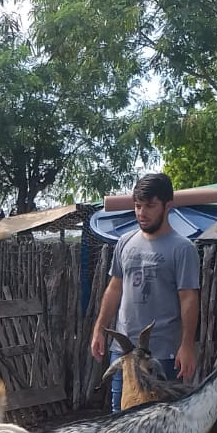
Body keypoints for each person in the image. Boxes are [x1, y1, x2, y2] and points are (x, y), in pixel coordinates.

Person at [90, 172, 200, 409]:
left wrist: (187, 345)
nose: (142, 212)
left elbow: (189, 298)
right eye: (138, 206)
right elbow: (114, 288)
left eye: (150, 206)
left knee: (161, 421)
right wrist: (99, 329)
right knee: (120, 417)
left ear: (167, 206)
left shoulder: (183, 249)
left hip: (163, 354)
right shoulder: (124, 242)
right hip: (124, 352)